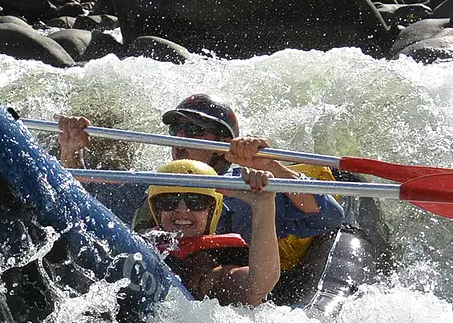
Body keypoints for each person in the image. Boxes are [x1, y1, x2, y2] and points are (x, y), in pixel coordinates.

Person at [58, 94, 345, 270]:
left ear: (223, 142)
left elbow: (328, 216)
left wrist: (270, 165)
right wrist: (71, 151)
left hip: (227, 294)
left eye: (194, 130)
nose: (180, 137)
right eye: (176, 129)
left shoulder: (246, 186)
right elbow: (82, 200)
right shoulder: (157, 184)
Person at [145, 159, 280, 306]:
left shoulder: (211, 266)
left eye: (196, 201)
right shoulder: (143, 243)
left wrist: (263, 205)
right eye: (168, 201)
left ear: (212, 211)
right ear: (157, 209)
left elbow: (256, 288)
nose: (182, 209)